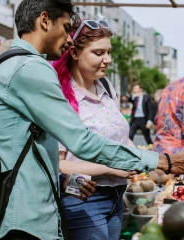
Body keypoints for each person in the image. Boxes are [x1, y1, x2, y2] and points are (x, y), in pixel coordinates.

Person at [0, 1, 184, 239]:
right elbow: (81, 141)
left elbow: (38, 151)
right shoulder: (30, 69)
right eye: (67, 28)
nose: (69, 40)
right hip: (24, 215)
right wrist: (159, 161)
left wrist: (68, 180)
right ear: (45, 21)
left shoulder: (16, 64)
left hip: (44, 204)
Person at [51, 19, 135, 239]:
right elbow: (57, 164)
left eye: (109, 52)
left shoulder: (106, 86)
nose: (107, 60)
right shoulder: (59, 96)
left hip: (117, 194)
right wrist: (112, 169)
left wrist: (143, 158)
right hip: (83, 198)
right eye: (99, 53)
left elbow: (121, 138)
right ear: (74, 53)